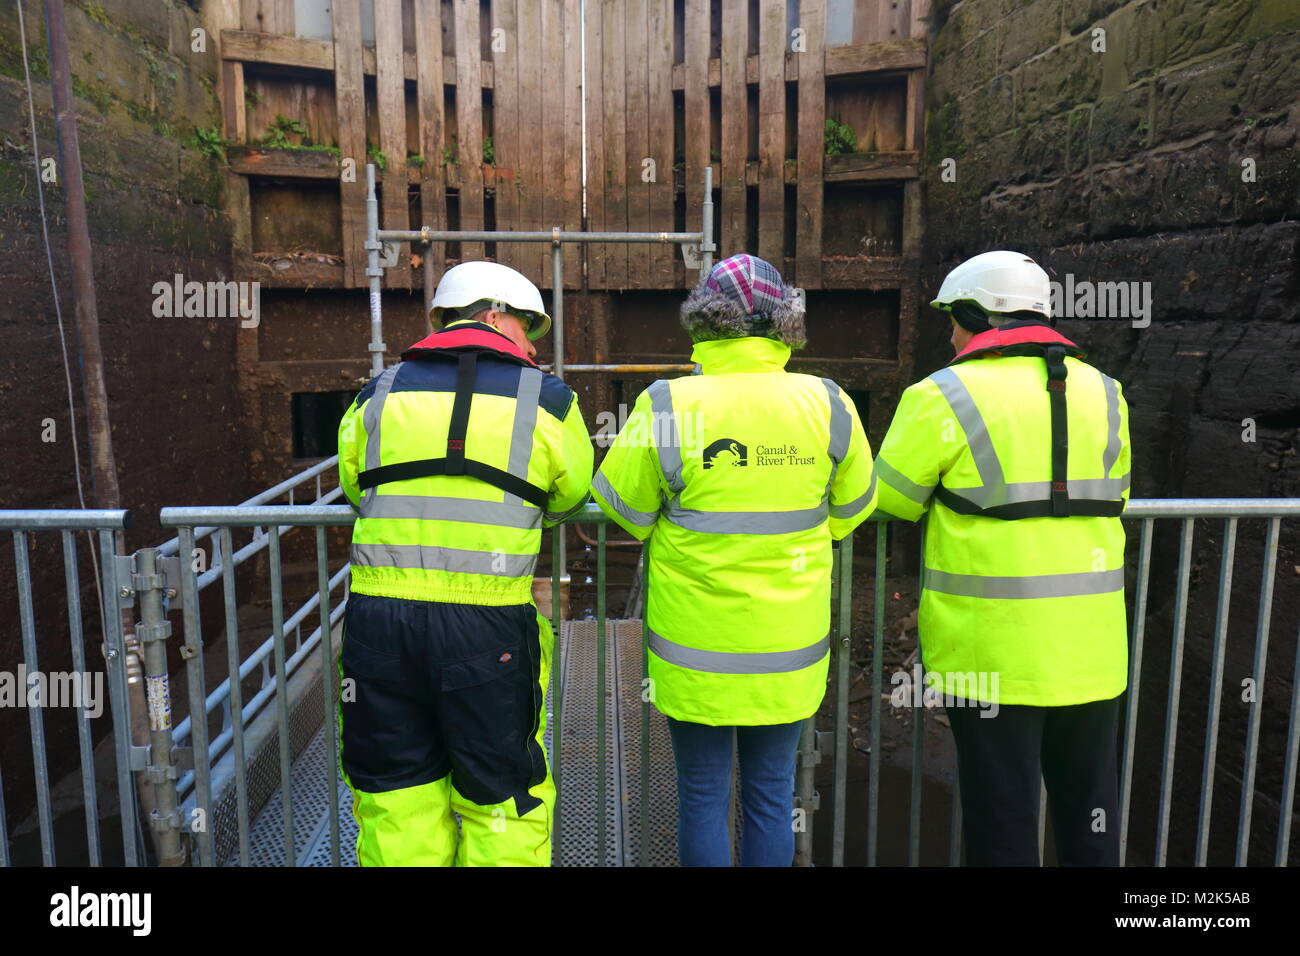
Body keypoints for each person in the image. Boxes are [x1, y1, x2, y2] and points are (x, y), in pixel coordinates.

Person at [591, 253, 877, 866]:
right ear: (785, 323)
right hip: (788, 650)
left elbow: (625, 510)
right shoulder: (829, 403)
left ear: (704, 320)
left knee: (700, 795)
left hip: (694, 654)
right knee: (772, 796)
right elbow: (851, 511)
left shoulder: (667, 404)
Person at [873, 250, 1132, 866]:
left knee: (1002, 820)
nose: (951, 334)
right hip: (1092, 651)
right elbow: (1116, 494)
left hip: (990, 653)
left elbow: (887, 500)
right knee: (1089, 816)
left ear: (973, 314)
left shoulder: (941, 394)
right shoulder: (1108, 391)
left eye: (953, 320)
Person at [335, 261, 593, 866]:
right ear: (495, 314)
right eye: (530, 326)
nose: (532, 344)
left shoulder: (378, 392)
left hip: (378, 625)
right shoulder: (549, 398)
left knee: (395, 795)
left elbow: (356, 486)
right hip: (487, 631)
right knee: (501, 800)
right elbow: (572, 492)